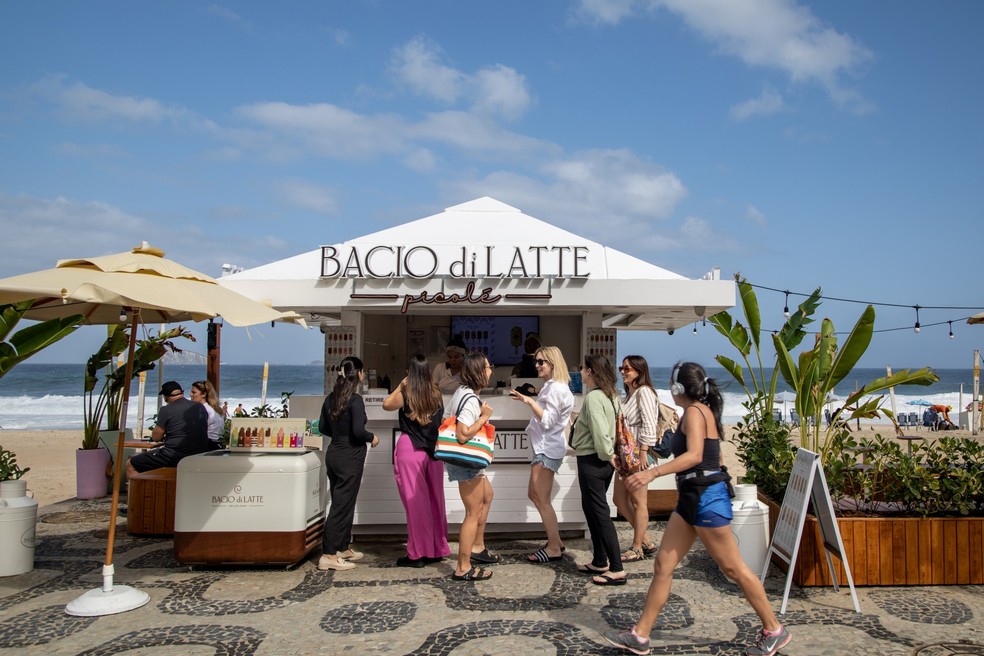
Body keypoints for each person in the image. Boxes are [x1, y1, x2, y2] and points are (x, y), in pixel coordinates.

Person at [605, 362, 791, 656]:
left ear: (680, 388)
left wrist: (652, 473)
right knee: (663, 566)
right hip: (692, 499)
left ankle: (774, 628)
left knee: (734, 568)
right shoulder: (700, 411)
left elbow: (694, 455)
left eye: (673, 383)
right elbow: (709, 458)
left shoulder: (694, 412)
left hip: (706, 499)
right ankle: (640, 635)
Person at [382, 353, 451, 567]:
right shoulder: (435, 392)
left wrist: (401, 384)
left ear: (410, 372)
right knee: (435, 501)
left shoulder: (406, 390)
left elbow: (386, 404)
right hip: (434, 451)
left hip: (410, 447)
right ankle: (437, 549)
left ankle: (417, 553)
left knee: (415, 503)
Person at [510, 345, 574, 563]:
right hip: (544, 448)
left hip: (547, 449)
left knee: (541, 499)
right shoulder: (554, 386)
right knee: (534, 494)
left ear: (553, 363)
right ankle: (555, 539)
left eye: (541, 362)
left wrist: (528, 401)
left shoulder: (555, 388)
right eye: (536, 361)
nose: (536, 366)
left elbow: (547, 421)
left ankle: (554, 547)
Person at [317, 356, 379, 571]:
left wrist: (338, 434)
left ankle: (342, 547)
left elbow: (323, 428)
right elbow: (358, 431)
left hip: (333, 453)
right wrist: (372, 437)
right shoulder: (355, 400)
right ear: (359, 374)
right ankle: (329, 554)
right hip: (350, 457)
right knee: (341, 506)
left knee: (342, 501)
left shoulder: (330, 398)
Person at [570, 354, 625, 586]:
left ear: (590, 371)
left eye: (582, 368)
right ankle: (600, 559)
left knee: (599, 512)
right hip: (603, 461)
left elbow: (601, 432)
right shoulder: (612, 395)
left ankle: (616, 567)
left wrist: (607, 454)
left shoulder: (593, 398)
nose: (580, 371)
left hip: (593, 459)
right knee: (592, 509)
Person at [446, 352, 497, 581]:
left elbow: (445, 420)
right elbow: (463, 434)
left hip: (465, 461)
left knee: (487, 496)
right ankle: (463, 567)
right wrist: (484, 417)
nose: (490, 370)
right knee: (472, 513)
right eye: (487, 367)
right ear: (478, 371)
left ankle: (477, 546)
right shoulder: (471, 400)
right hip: (467, 462)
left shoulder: (461, 393)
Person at [612, 355, 661, 562]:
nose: (623, 372)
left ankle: (637, 547)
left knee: (639, 502)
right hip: (625, 456)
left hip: (638, 455)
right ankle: (646, 541)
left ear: (639, 372)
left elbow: (649, 423)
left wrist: (643, 453)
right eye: (622, 368)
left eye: (628, 369)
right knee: (618, 499)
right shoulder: (628, 396)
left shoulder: (644, 393)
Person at [126, 381, 210, 476]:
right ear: (182, 393)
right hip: (198, 453)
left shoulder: (166, 410)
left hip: (173, 456)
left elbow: (156, 437)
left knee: (131, 464)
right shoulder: (199, 406)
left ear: (165, 397)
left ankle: (139, 490)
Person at [190, 380, 225, 448]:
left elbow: (196, 431)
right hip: (216, 444)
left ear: (204, 394)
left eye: (194, 392)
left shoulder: (203, 409)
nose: (190, 395)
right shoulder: (215, 408)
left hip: (207, 445)